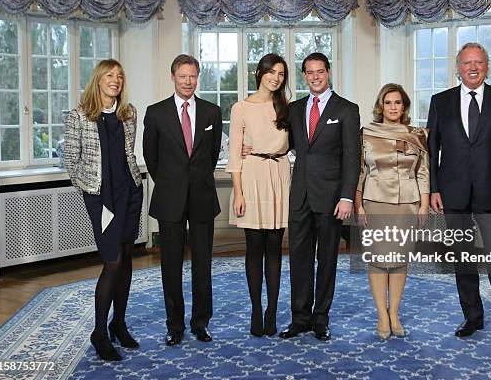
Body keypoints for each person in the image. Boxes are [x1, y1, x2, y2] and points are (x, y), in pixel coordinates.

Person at [426, 43, 491, 351]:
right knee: (463, 260)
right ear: (458, 67)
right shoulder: (440, 102)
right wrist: (434, 188)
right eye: (467, 63)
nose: (473, 67)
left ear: (487, 66)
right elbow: (432, 152)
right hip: (452, 194)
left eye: (479, 62)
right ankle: (472, 317)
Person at [64, 59, 143, 361]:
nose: (116, 80)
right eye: (110, 76)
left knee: (126, 261)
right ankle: (99, 332)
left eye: (120, 76)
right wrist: (94, 194)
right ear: (98, 80)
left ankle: (118, 324)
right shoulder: (79, 117)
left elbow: (126, 154)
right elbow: (72, 164)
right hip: (101, 198)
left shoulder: (128, 113)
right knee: (112, 261)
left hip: (130, 193)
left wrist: (134, 187)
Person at [278, 52, 360, 341]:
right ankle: (300, 318)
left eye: (320, 72)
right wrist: (251, 149)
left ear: (328, 72)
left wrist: (347, 197)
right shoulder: (295, 109)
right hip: (299, 195)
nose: (315, 77)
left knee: (326, 261)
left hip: (331, 198)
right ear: (304, 76)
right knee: (299, 259)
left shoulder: (347, 109)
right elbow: (282, 144)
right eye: (310, 72)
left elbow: (353, 158)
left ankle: (321, 318)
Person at [143, 54, 222, 346]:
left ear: (197, 77)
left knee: (203, 265)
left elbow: (212, 155)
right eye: (182, 76)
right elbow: (151, 158)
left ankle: (201, 323)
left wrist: (195, 180)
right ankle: (174, 325)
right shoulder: (156, 113)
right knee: (171, 266)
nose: (188, 82)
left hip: (202, 197)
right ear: (173, 77)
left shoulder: (212, 112)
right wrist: (171, 183)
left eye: (192, 76)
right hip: (169, 199)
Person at [354, 83, 429, 340]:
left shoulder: (417, 134)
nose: (393, 107)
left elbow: (422, 171)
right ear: (381, 106)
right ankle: (381, 315)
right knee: (377, 260)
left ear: (404, 106)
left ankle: (394, 312)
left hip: (408, 203)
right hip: (374, 201)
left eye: (398, 103)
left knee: (399, 261)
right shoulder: (365, 133)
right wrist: (358, 204)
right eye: (388, 103)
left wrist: (425, 203)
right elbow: (360, 172)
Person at [226, 53, 290, 337]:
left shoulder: (288, 107)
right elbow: (234, 154)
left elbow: (303, 141)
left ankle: (271, 311)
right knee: (254, 249)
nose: (276, 78)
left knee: (275, 248)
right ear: (259, 73)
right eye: (271, 72)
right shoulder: (241, 107)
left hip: (279, 174)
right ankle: (255, 309)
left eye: (281, 74)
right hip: (251, 177)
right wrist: (238, 193)